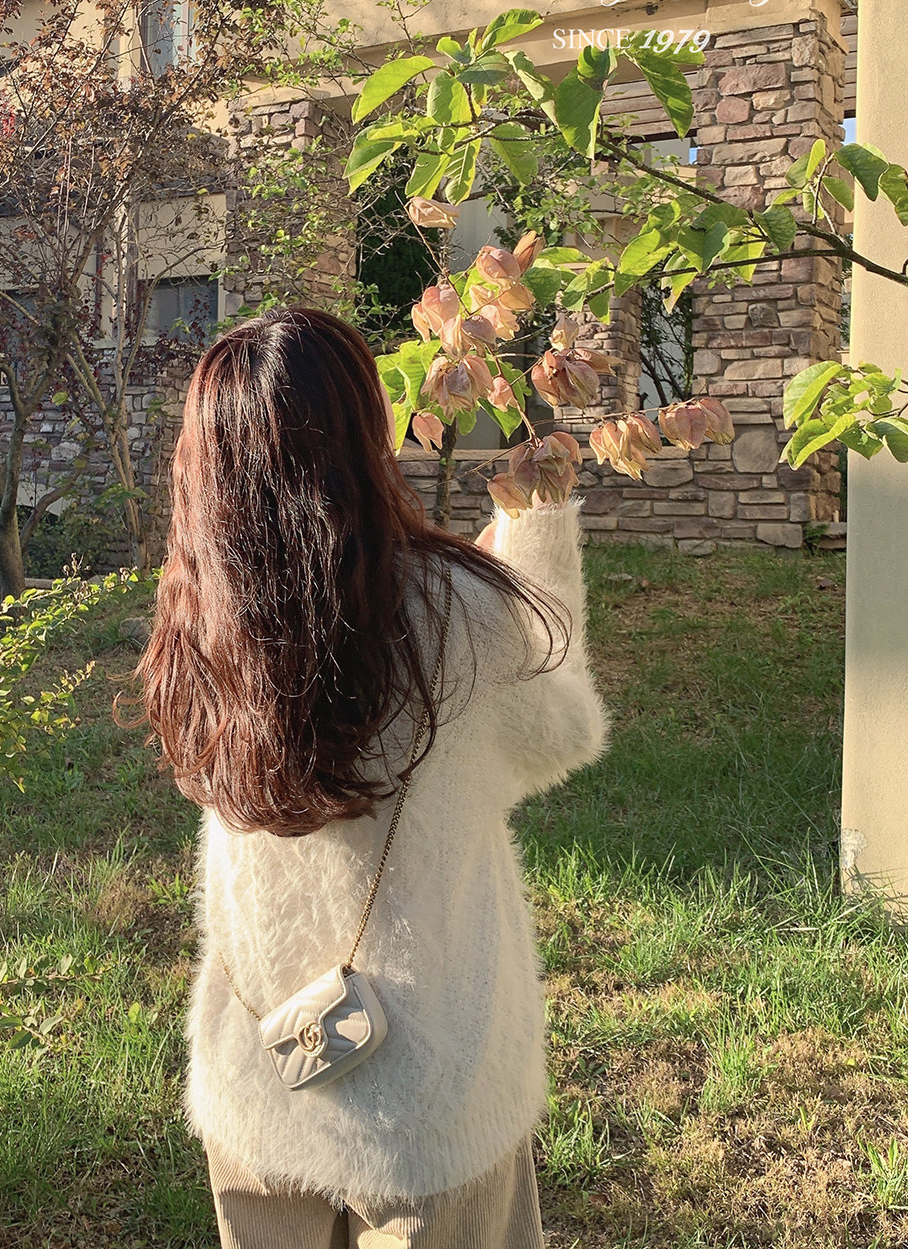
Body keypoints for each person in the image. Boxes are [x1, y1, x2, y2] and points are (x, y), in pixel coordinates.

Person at [136, 305, 608, 1249]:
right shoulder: (458, 611)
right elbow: (561, 732)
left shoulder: (199, 619)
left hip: (263, 1075)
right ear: (360, 431)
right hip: (430, 1101)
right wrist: (537, 529)